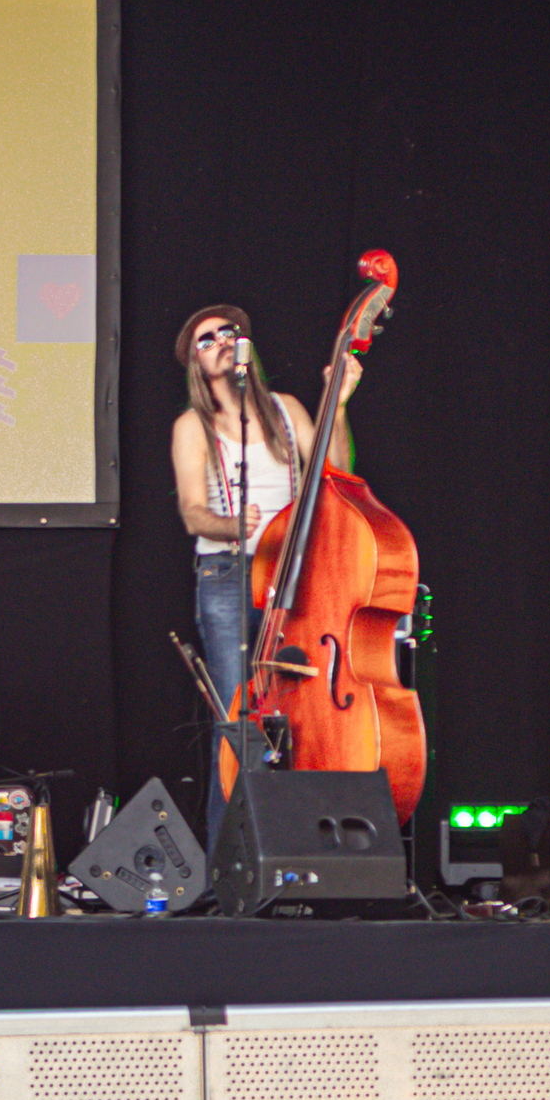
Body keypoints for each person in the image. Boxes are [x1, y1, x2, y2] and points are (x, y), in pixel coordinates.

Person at [169, 305, 357, 835]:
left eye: (228, 332)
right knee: (238, 718)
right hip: (227, 575)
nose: (222, 341)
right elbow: (191, 513)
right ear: (197, 365)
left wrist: (336, 407)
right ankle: (228, 867)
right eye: (207, 339)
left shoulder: (284, 408)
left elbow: (336, 471)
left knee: (302, 713)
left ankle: (300, 844)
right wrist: (231, 525)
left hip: (294, 573)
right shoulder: (193, 426)